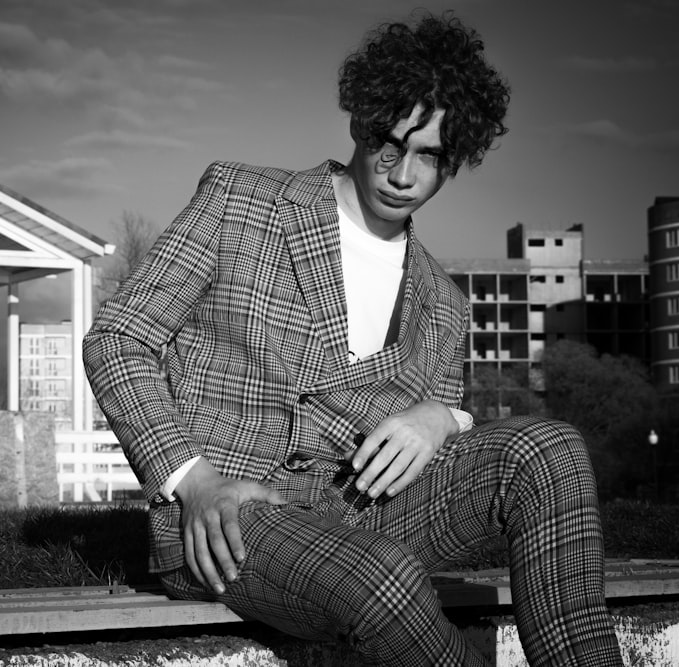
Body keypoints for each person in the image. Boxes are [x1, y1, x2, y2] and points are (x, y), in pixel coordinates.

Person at [84, 11, 623, 666]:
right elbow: (118, 337)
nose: (402, 174)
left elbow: (437, 449)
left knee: (551, 448)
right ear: (360, 123)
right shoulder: (242, 202)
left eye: (430, 156)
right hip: (230, 515)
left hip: (361, 519)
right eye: (390, 144)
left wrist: (441, 418)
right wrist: (192, 480)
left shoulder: (444, 305)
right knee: (385, 578)